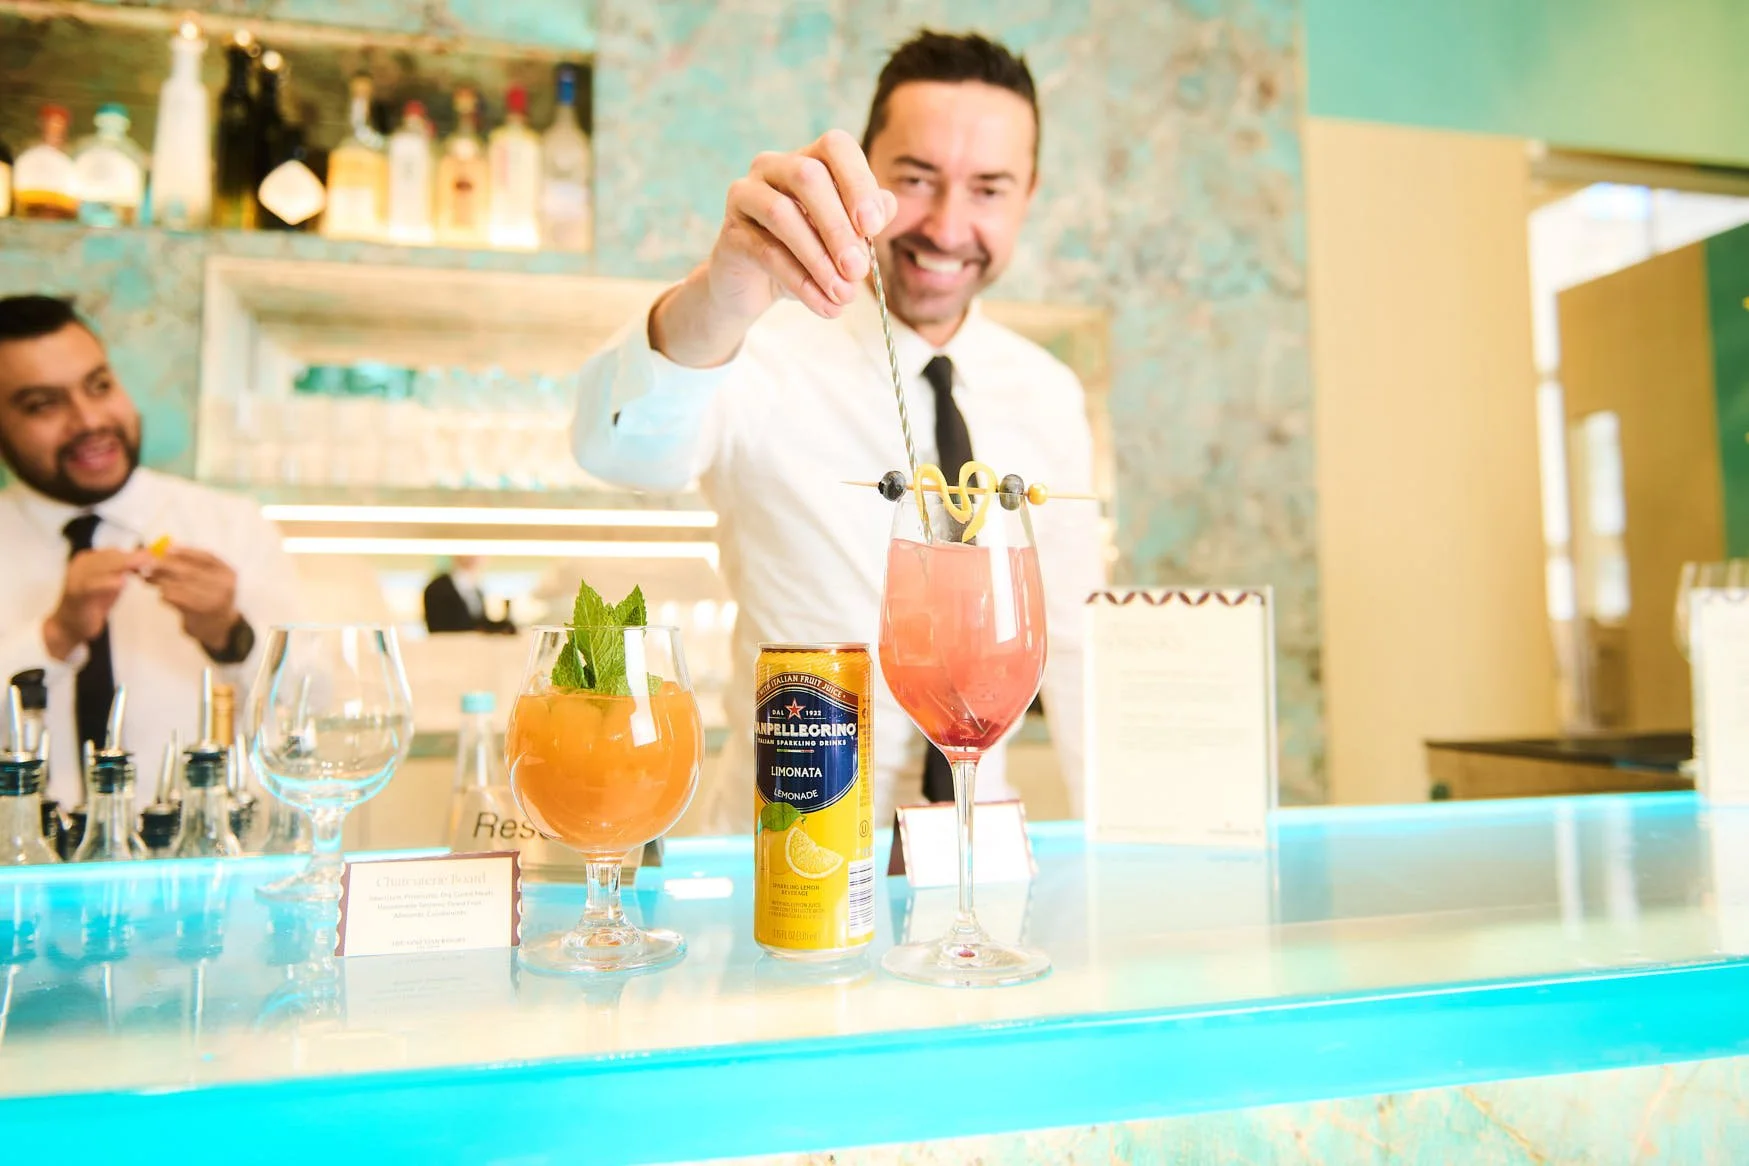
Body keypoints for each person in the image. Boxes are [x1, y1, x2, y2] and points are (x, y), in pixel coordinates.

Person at [572, 31, 1105, 833]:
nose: (949, 227)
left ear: (1028, 194)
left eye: (988, 189)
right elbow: (620, 450)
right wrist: (720, 296)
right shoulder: (754, 347)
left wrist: (1128, 858)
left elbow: (1074, 643)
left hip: (976, 849)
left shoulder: (1048, 391)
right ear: (865, 181)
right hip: (786, 840)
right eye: (916, 180)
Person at [0, 295, 301, 809]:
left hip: (199, 868)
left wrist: (232, 635)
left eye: (99, 385)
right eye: (43, 405)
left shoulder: (232, 525)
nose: (89, 420)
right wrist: (53, 638)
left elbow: (313, 718)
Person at [423, 555, 515, 635]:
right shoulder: (437, 588)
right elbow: (439, 628)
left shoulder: (477, 591)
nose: (473, 556)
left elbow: (478, 622)